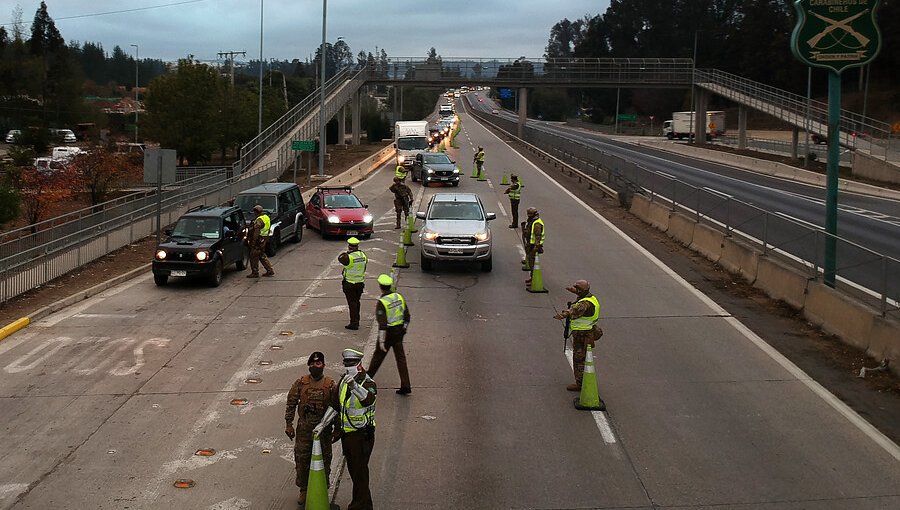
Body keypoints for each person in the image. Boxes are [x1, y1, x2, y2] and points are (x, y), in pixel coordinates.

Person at [315, 348, 377, 510]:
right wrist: (322, 424)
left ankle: (359, 506)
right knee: (355, 471)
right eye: (346, 363)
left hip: (362, 435)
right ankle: (364, 504)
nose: (348, 366)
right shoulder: (343, 381)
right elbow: (335, 405)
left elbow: (368, 400)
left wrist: (354, 386)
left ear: (359, 365)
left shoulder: (368, 383)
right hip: (347, 435)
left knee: (360, 473)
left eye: (352, 363)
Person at [284, 351, 337, 505]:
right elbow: (291, 403)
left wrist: (338, 429)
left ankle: (322, 489)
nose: (315, 366)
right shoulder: (301, 383)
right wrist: (289, 424)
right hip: (304, 430)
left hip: (324, 431)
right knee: (302, 459)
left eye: (318, 363)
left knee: (324, 460)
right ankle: (304, 489)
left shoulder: (330, 385)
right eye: (312, 364)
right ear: (309, 365)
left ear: (323, 365)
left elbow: (337, 407)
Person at [553, 281, 602, 391]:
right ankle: (583, 380)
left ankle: (580, 384)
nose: (576, 291)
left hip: (582, 335)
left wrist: (562, 315)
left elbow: (573, 310)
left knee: (579, 359)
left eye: (578, 289)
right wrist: (574, 290)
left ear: (582, 291)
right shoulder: (590, 297)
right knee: (582, 358)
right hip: (588, 331)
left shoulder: (584, 304)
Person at [367, 274, 412, 395]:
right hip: (399, 332)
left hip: (387, 334)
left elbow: (382, 324)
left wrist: (382, 342)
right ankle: (406, 385)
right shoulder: (399, 297)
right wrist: (403, 330)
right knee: (401, 359)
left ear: (381, 287)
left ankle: (365, 381)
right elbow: (407, 316)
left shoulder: (382, 302)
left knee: (377, 358)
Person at [338, 237, 367, 330]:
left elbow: (341, 258)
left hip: (350, 283)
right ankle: (356, 320)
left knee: (352, 303)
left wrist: (348, 252)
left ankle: (354, 323)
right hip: (360, 283)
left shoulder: (349, 257)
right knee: (356, 302)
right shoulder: (363, 255)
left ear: (349, 246)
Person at [247, 204, 275, 278]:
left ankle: (255, 272)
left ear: (256, 212)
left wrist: (253, 243)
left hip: (259, 241)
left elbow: (256, 232)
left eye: (255, 211)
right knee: (261, 255)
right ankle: (269, 270)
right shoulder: (266, 217)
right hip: (264, 239)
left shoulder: (259, 220)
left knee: (253, 256)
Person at [523, 208, 543, 285]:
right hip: (530, 244)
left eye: (529, 214)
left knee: (532, 263)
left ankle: (534, 279)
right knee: (531, 262)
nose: (528, 215)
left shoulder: (537, 223)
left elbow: (538, 236)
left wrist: (536, 246)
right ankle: (532, 278)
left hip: (534, 246)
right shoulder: (532, 221)